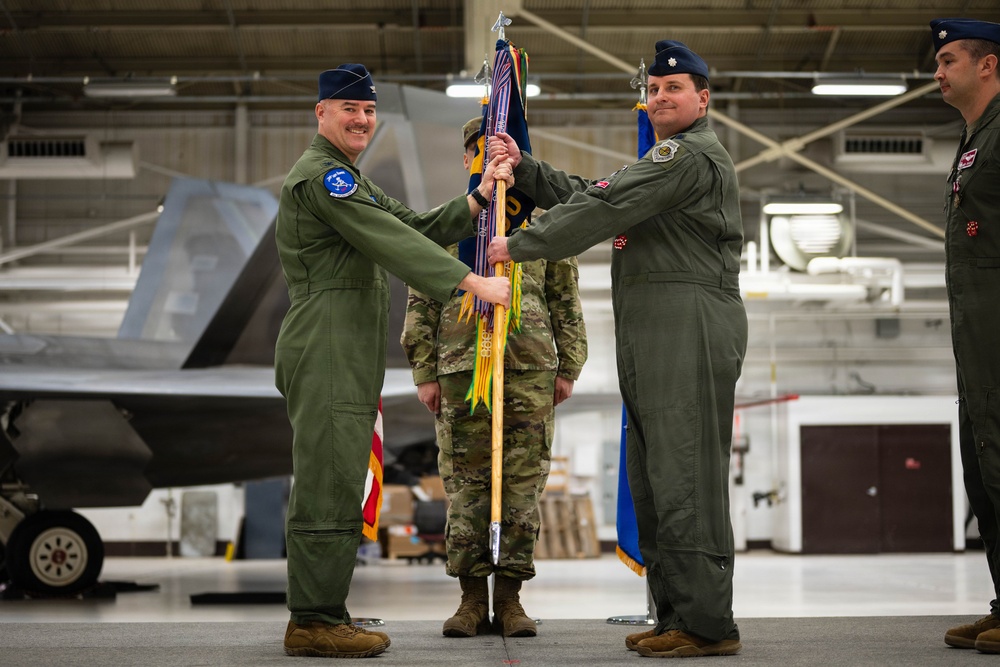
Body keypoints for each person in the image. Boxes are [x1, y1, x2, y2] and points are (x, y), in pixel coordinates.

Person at [486, 40, 747, 658]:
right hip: (655, 325)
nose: (659, 98)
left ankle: (708, 624)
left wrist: (517, 245)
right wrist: (526, 171)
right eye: (653, 90)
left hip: (688, 323)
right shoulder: (663, 162)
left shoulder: (687, 156)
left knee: (684, 474)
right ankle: (676, 613)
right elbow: (595, 189)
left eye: (673, 89)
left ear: (702, 98)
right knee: (655, 475)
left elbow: (605, 205)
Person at [274, 64, 512, 659]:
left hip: (346, 344)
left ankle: (325, 610)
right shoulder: (323, 179)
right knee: (329, 481)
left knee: (341, 476)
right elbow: (396, 246)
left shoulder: (349, 178)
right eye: (348, 108)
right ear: (321, 113)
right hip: (326, 342)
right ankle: (313, 619)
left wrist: (481, 194)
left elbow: (414, 226)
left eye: (369, 110)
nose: (361, 119)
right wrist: (472, 284)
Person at [400, 117, 588, 638]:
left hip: (529, 372)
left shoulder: (543, 224)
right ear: (467, 160)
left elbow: (565, 298)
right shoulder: (448, 225)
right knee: (466, 487)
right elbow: (421, 299)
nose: (492, 159)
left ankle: (510, 600)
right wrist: (424, 369)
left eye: (503, 150)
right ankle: (468, 602)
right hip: (461, 372)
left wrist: (568, 365)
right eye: (481, 152)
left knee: (522, 488)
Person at [930, 18, 1000, 655]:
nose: (938, 69)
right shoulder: (975, 137)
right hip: (975, 335)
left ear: (988, 64)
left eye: (949, 58)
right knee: (982, 471)